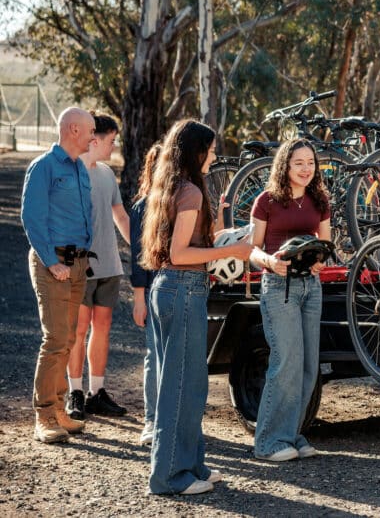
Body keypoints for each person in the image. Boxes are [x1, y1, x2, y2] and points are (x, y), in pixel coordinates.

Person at [141, 119, 252, 495]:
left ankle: (191, 465)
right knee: (182, 387)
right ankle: (170, 476)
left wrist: (219, 231)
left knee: (187, 385)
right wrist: (232, 250)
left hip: (171, 287)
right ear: (196, 152)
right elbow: (181, 253)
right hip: (184, 289)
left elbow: (183, 246)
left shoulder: (174, 187)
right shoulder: (189, 191)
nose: (215, 157)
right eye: (211, 150)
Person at [248, 138, 331, 462]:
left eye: (310, 162)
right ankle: (269, 442)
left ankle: (292, 434)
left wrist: (320, 262)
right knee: (286, 363)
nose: (306, 169)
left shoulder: (319, 199)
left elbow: (325, 244)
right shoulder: (266, 201)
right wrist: (269, 262)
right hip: (278, 286)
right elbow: (252, 249)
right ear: (285, 165)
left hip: (311, 287)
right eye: (299, 163)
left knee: (309, 365)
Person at [20, 107, 96, 443]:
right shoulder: (44, 167)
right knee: (54, 340)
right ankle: (44, 415)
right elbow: (31, 217)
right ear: (74, 130)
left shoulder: (80, 168)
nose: (93, 137)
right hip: (54, 264)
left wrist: (81, 258)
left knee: (68, 340)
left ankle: (60, 410)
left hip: (77, 265)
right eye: (90, 130)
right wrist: (52, 262)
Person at [66, 113, 131, 420]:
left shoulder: (106, 174)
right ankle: (75, 393)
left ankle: (96, 392)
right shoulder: (71, 172)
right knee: (78, 330)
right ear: (95, 139)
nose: (114, 146)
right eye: (112, 140)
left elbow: (121, 216)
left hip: (109, 265)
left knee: (101, 328)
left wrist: (143, 250)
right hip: (81, 268)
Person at [129, 142, 161, 445]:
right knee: (154, 356)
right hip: (152, 290)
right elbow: (138, 257)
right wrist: (138, 299)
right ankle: (151, 420)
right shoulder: (143, 206)